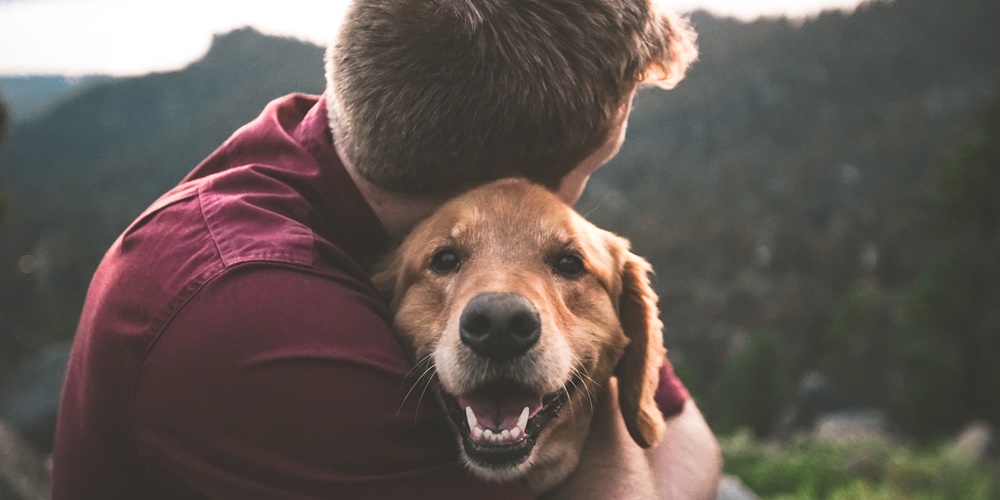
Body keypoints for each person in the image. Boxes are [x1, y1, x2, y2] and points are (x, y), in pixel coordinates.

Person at [51, 0, 720, 497]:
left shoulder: (351, 145)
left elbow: (685, 434)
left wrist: (589, 361)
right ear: (508, 183)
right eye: (591, 169)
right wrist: (591, 383)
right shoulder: (253, 317)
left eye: (564, 255)